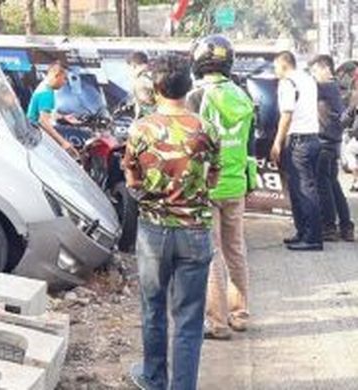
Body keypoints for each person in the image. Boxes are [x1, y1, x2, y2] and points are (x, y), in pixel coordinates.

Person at [123, 54, 220, 390]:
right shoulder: (207, 128)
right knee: (189, 319)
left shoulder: (140, 128)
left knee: (153, 309)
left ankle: (153, 379)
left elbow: (132, 181)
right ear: (188, 85)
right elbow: (212, 180)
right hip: (195, 232)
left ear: (156, 87)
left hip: (153, 233)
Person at [187, 35, 255, 340]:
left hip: (208, 185)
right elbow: (249, 142)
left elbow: (190, 142)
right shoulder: (243, 95)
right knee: (235, 249)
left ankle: (217, 322)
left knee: (211, 254)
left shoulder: (197, 96)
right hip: (236, 184)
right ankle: (240, 314)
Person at [270, 51, 323, 251]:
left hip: (299, 141)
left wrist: (277, 142)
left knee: (304, 190)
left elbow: (286, 114)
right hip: (312, 139)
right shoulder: (308, 79)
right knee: (301, 189)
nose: (275, 72)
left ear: (284, 65)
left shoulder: (287, 83)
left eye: (276, 67)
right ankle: (303, 233)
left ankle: (312, 238)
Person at [309, 55, 355, 242]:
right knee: (334, 186)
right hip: (333, 142)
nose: (312, 75)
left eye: (315, 70)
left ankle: (329, 226)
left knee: (324, 187)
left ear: (326, 69)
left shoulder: (326, 87)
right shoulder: (336, 88)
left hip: (325, 142)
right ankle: (346, 226)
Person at [27, 61, 78, 156]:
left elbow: (44, 112)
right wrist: (63, 143)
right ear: (56, 75)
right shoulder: (46, 93)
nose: (65, 83)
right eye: (64, 79)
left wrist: (62, 117)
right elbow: (43, 122)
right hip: (37, 138)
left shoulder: (43, 87)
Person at [127, 51, 155, 118]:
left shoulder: (145, 78)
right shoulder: (140, 78)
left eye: (129, 68)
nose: (129, 71)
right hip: (148, 113)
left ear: (133, 66)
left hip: (153, 114)